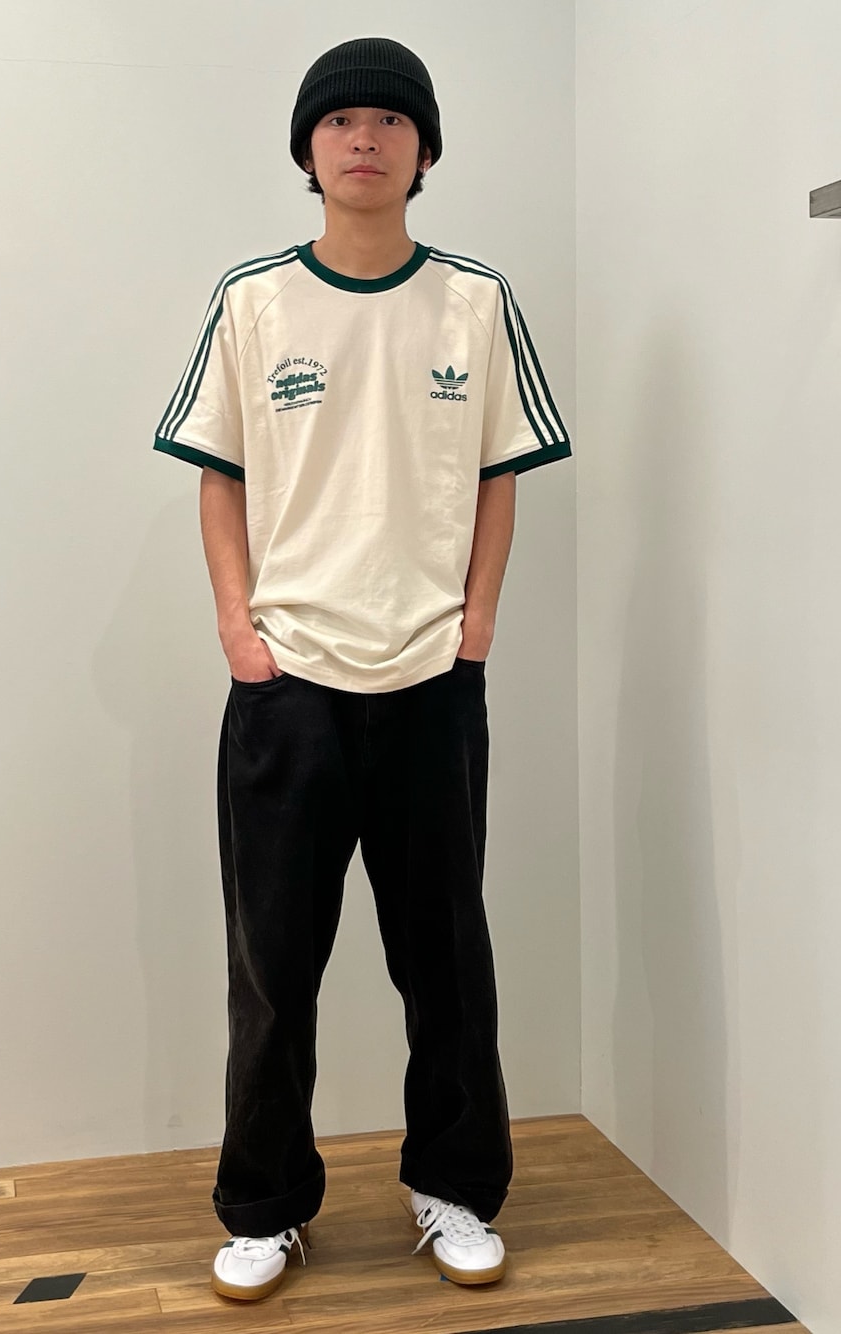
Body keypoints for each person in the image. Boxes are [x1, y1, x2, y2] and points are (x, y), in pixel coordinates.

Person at [153, 36, 571, 1302]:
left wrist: (474, 624)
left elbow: (499, 475)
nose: (365, 139)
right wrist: (240, 632)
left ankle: (456, 1187)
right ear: (308, 149)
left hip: (431, 680)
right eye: (341, 122)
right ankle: (265, 1205)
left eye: (391, 120)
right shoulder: (253, 301)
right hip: (287, 685)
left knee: (445, 960)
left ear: (425, 150)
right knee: (273, 970)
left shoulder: (477, 301)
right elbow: (218, 478)